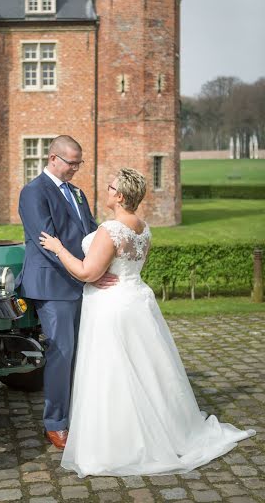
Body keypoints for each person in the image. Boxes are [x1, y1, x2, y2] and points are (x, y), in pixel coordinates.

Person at [40, 167, 255, 477]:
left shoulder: (110, 229)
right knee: (147, 368)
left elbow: (88, 272)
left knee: (113, 370)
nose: (107, 189)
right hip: (137, 300)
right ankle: (168, 426)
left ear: (121, 195)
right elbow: (130, 267)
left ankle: (122, 441)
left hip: (111, 307)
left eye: (111, 186)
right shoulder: (144, 228)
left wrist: (59, 249)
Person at [16, 135, 116, 449]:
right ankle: (56, 422)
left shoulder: (77, 192)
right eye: (71, 162)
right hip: (53, 285)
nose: (75, 168)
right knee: (62, 353)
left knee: (84, 351)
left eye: (78, 163)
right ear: (53, 158)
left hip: (80, 280)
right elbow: (49, 243)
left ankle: (82, 412)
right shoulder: (33, 192)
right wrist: (87, 272)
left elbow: (89, 229)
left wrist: (103, 256)